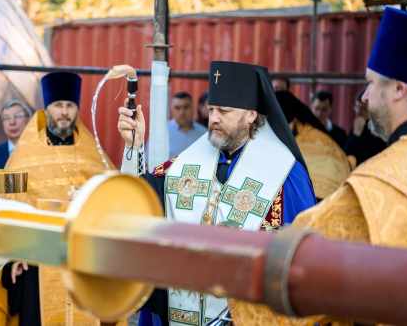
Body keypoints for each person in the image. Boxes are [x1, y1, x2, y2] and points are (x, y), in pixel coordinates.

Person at [231, 7, 407, 326]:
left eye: (371, 84)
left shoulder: (382, 180)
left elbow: (298, 266)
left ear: (400, 89)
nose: (365, 97)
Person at [118, 61, 316, 326]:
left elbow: (300, 266)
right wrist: (133, 147)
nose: (213, 119)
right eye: (211, 109)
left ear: (251, 115)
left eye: (224, 111)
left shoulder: (285, 175)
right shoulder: (187, 163)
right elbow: (137, 201)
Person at [0, 72, 112, 326]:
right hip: (37, 268)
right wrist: (11, 258)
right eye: (58, 106)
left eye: (69, 106)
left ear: (77, 109)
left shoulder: (94, 157)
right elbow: (8, 212)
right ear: (47, 108)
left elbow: (110, 206)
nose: (64, 112)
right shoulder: (23, 158)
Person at [276, 90, 351, 200]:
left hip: (322, 197)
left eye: (324, 109)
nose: (320, 113)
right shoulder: (308, 133)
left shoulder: (312, 138)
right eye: (317, 108)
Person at [0, 99, 32, 169]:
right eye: (6, 118)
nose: (12, 122)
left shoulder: (41, 151)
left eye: (17, 116)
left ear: (29, 120)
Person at [344, 87, 387, 165]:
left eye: (363, 108)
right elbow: (347, 154)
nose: (359, 111)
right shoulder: (358, 124)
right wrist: (355, 134)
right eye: (357, 107)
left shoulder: (381, 127)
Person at [168, 91, 207, 157]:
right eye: (177, 108)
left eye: (186, 107)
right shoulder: (161, 133)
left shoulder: (204, 134)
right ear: (171, 109)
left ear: (193, 108)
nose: (182, 112)